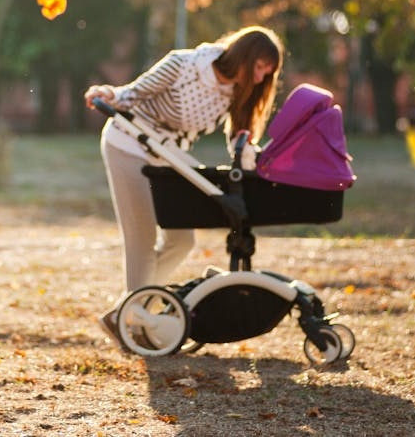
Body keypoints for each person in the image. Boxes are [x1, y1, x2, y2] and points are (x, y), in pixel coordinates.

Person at [83, 26, 284, 348]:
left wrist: (256, 163)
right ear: (245, 56)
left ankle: (126, 312)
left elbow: (240, 140)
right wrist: (106, 94)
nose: (261, 78)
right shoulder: (185, 65)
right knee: (142, 238)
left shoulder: (237, 91)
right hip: (129, 144)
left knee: (181, 239)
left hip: (169, 155)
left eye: (267, 73)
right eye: (260, 67)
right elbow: (131, 93)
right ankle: (131, 326)